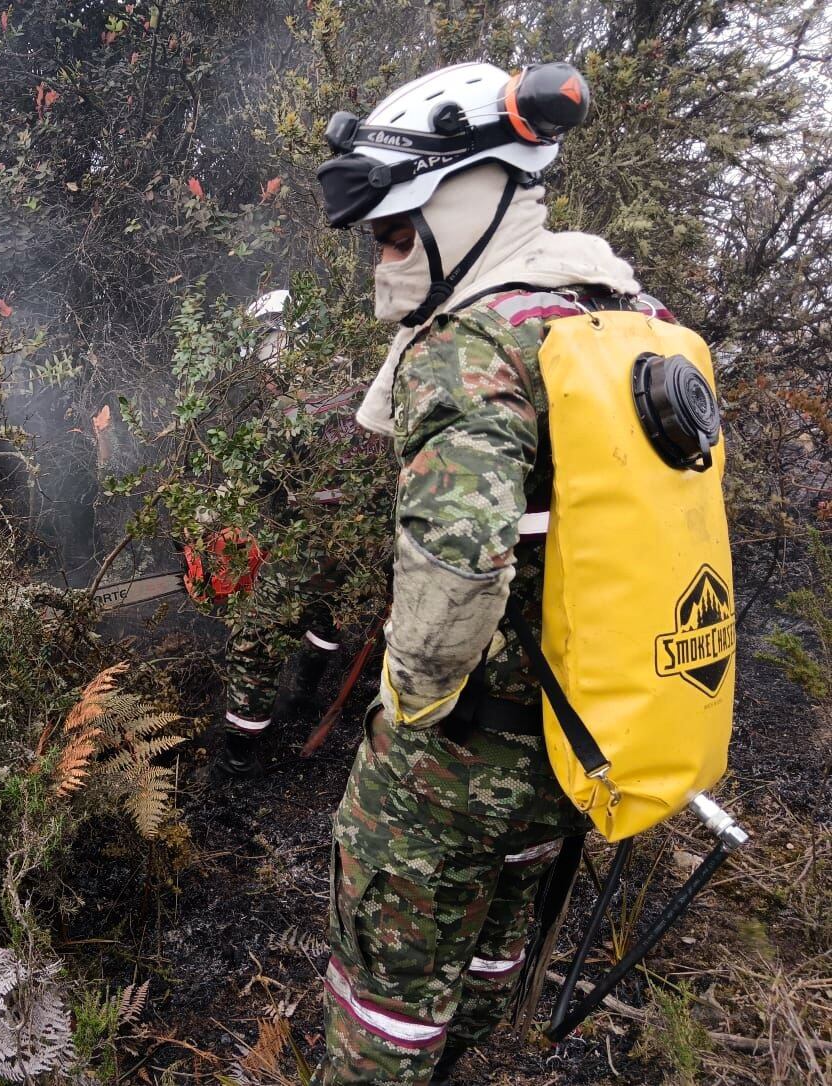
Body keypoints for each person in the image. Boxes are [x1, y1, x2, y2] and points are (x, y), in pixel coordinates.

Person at [313, 61, 673, 1083]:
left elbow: (453, 576)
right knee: (489, 947)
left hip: (457, 758)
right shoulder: (619, 318)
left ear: (465, 201)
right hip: (574, 746)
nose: (382, 257)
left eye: (392, 232)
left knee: (381, 998)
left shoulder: (469, 347)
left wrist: (405, 704)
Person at [211, 290, 381, 779]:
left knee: (254, 640)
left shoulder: (292, 409)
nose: (261, 377)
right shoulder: (363, 384)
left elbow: (256, 484)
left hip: (318, 546)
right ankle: (303, 694)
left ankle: (237, 759)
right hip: (365, 546)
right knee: (326, 614)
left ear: (279, 342)